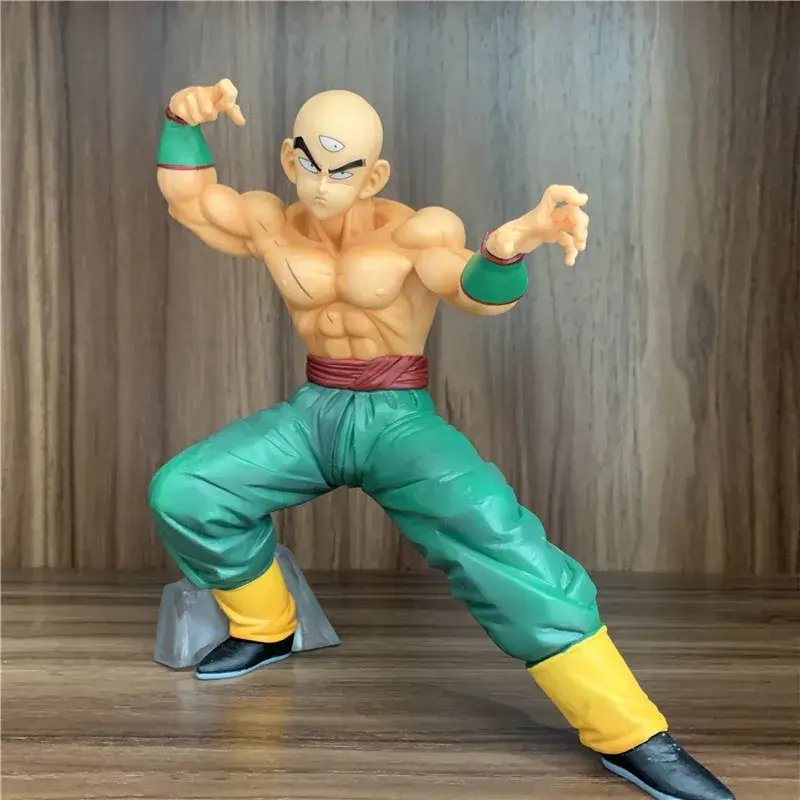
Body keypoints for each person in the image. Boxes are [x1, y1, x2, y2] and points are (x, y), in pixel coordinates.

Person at [149, 79, 735, 800]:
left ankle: (631, 733)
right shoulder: (272, 221)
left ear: (374, 176)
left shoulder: (414, 231)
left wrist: (506, 248)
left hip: (397, 418)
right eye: (310, 164)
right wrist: (181, 121)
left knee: (496, 535)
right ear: (286, 157)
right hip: (315, 412)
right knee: (187, 491)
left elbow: (474, 293)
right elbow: (193, 201)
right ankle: (267, 625)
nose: (323, 184)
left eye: (343, 170)